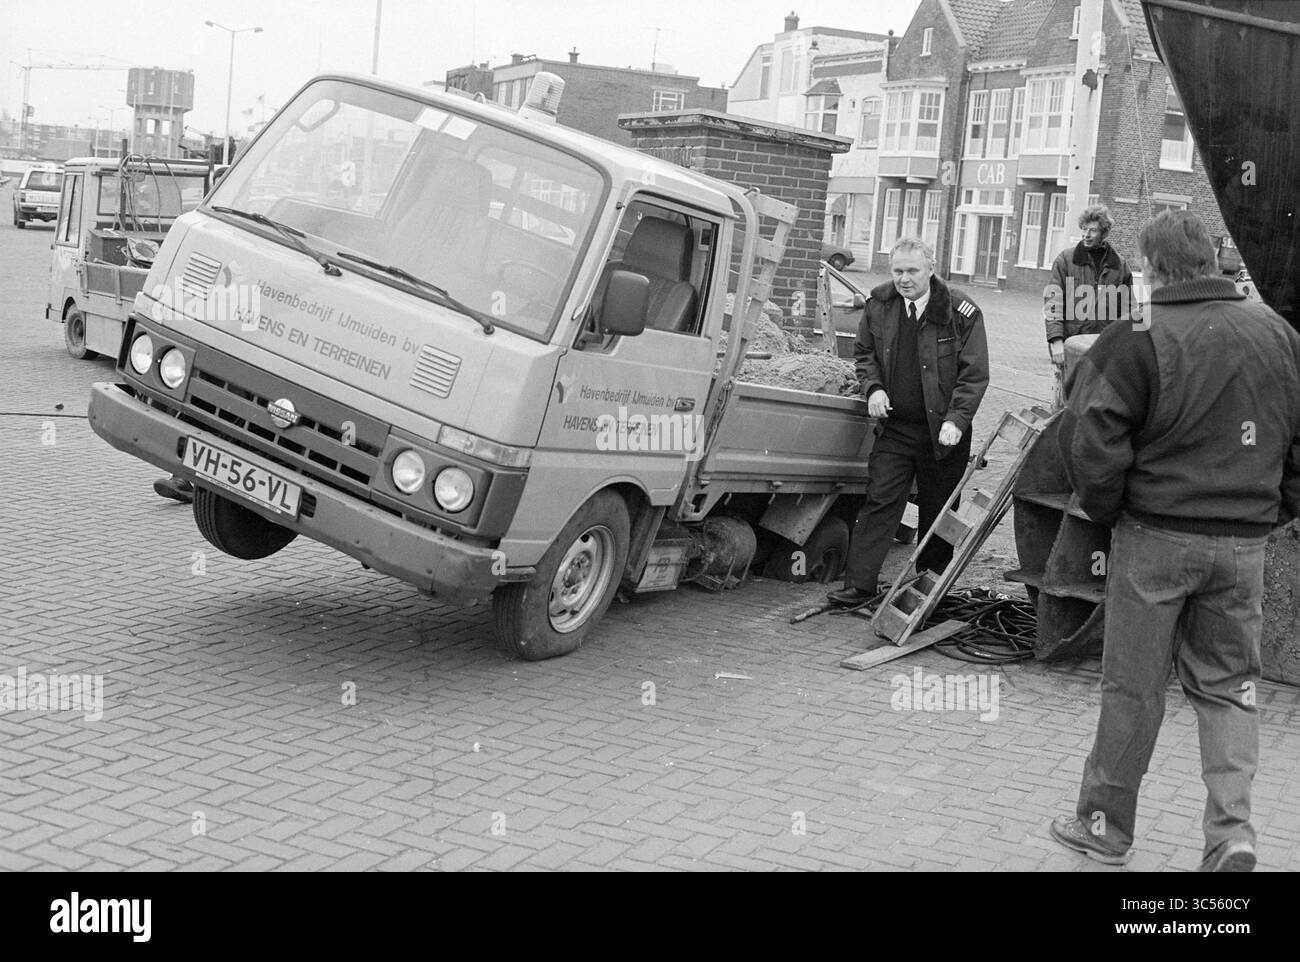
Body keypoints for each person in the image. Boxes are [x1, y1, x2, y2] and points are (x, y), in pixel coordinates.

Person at [1049, 210, 1300, 871]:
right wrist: (1267, 513)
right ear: (1213, 261)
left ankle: (1103, 832)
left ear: (1152, 269)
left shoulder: (1132, 337)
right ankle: (1232, 835)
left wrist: (1111, 512)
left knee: (1133, 688)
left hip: (1154, 539)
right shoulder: (1279, 335)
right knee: (1230, 688)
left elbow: (1088, 443)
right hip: (1241, 547)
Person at [826, 237, 989, 606]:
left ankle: (931, 591)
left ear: (931, 268)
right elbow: (865, 352)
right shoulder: (880, 304)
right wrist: (873, 389)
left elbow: (974, 374)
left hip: (943, 433)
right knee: (880, 500)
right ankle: (860, 585)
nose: (904, 278)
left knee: (938, 512)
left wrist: (958, 420)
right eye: (897, 270)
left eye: (912, 270)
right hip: (897, 428)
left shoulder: (961, 312)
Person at [1044, 204, 1134, 407]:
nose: (1086, 234)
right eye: (1084, 229)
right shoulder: (1066, 260)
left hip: (1104, 348)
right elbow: (1052, 301)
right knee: (1067, 406)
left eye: (1092, 230)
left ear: (1104, 232)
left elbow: (1129, 308)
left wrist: (1131, 344)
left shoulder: (1119, 265)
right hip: (1071, 346)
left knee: (1098, 405)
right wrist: (1056, 341)